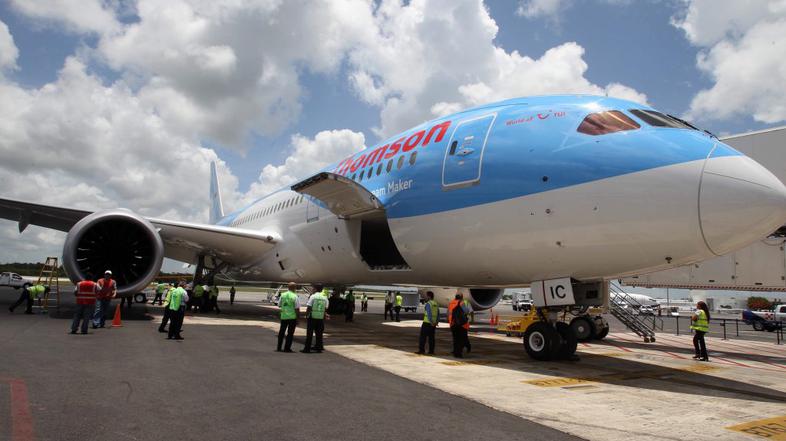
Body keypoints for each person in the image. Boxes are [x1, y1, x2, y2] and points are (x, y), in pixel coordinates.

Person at [302, 285, 329, 353]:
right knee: (319, 334)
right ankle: (318, 348)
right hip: (320, 318)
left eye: (313, 288)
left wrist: (306, 315)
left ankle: (307, 349)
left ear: (316, 289)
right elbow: (326, 308)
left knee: (309, 334)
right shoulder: (325, 297)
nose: (313, 289)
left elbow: (309, 307)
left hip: (312, 317)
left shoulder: (313, 296)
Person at [276, 282, 300, 352]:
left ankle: (279, 347)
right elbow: (297, 308)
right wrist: (298, 318)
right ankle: (287, 348)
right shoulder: (295, 296)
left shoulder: (283, 295)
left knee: (281, 332)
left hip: (284, 316)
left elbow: (279, 305)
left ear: (288, 287)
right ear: (294, 288)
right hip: (292, 318)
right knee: (290, 333)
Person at [448, 293, 468, 358]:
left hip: (452, 323)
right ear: (461, 298)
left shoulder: (451, 303)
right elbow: (467, 311)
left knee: (455, 339)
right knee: (460, 339)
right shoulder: (461, 303)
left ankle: (455, 352)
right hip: (459, 324)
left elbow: (448, 313)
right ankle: (458, 353)